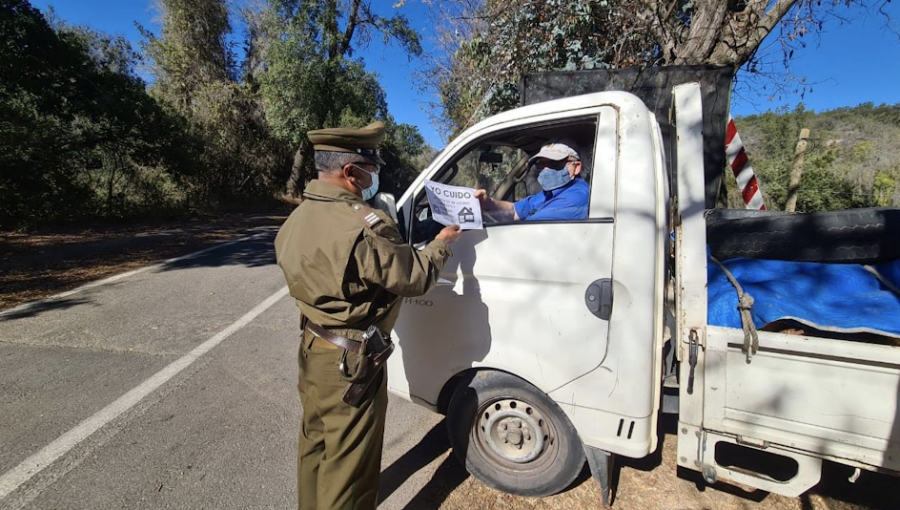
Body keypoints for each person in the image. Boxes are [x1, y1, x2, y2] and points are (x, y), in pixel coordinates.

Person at [273, 120, 462, 510]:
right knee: (349, 468)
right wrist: (442, 243)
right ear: (350, 171)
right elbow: (413, 276)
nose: (372, 177)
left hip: (313, 348)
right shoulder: (362, 227)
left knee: (316, 444)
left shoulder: (296, 219)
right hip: (351, 360)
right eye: (370, 169)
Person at [475, 141, 589, 221]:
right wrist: (487, 203)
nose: (546, 169)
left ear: (576, 167)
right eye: (541, 163)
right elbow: (515, 210)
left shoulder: (574, 199)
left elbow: (527, 231)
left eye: (554, 163)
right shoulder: (549, 193)